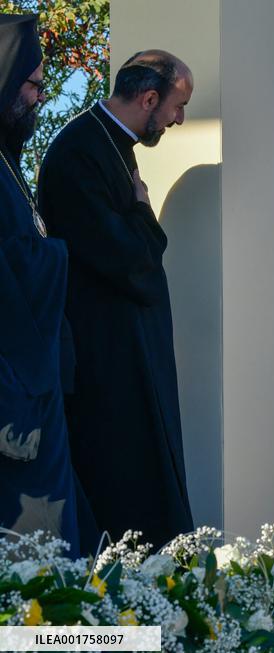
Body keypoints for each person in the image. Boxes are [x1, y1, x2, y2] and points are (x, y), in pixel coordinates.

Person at [38, 50, 194, 549]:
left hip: (128, 352)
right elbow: (128, 261)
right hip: (106, 360)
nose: (178, 119)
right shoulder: (79, 152)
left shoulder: (112, 145)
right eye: (176, 105)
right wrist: (146, 215)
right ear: (149, 98)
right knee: (122, 492)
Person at [0, 13, 82, 555]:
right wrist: (56, 252)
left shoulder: (9, 163)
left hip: (36, 383)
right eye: (32, 84)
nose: (40, 97)